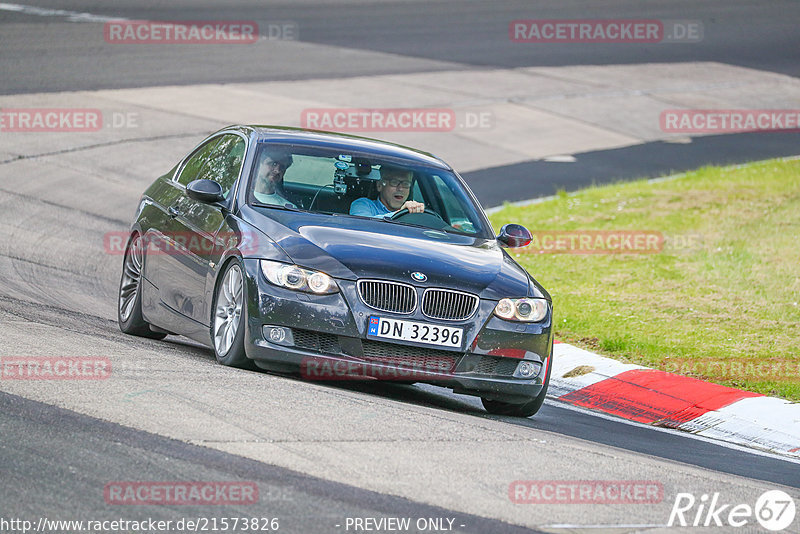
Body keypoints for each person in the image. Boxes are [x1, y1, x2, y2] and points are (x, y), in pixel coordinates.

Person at [349, 165, 424, 217]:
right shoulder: (363, 204)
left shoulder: (415, 210)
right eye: (394, 182)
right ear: (379, 185)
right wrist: (401, 213)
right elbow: (363, 225)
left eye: (406, 184)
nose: (400, 188)